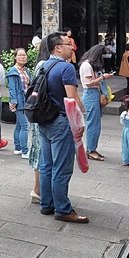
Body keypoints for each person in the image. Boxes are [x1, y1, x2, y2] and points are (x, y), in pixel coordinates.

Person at [38, 31, 88, 223]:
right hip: (60, 121)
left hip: (44, 120)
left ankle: (47, 204)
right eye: (69, 44)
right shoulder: (65, 68)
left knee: (47, 165)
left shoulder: (44, 65)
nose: (72, 48)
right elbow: (72, 98)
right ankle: (63, 209)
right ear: (58, 47)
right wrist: (83, 117)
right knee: (62, 167)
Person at [78, 44, 115, 161]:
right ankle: (90, 150)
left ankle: (92, 148)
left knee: (96, 124)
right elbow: (89, 83)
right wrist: (103, 77)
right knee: (92, 124)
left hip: (94, 94)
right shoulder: (86, 65)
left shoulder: (88, 65)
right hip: (90, 94)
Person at [27, 38, 50, 204]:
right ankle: (38, 189)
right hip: (42, 113)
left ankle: (39, 189)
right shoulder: (44, 65)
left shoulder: (40, 64)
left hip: (38, 113)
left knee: (39, 150)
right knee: (41, 151)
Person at [5, 48, 32, 158]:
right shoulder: (13, 71)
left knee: (19, 125)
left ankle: (18, 147)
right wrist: (13, 102)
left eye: (24, 55)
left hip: (26, 100)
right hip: (19, 101)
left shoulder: (26, 71)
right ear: (15, 57)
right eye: (20, 55)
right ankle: (25, 151)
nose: (22, 57)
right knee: (25, 126)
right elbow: (12, 88)